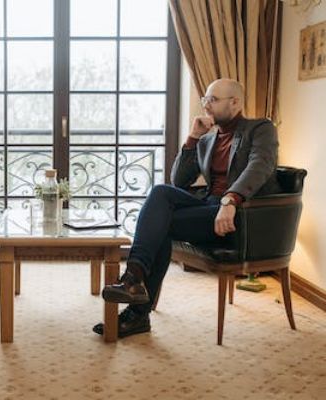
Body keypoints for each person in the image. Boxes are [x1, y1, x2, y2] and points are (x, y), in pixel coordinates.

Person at [93, 78, 281, 338]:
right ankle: (133, 283)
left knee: (161, 226)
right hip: (209, 206)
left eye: (213, 100)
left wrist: (231, 199)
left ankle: (136, 303)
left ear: (235, 102)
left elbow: (260, 165)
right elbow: (179, 180)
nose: (206, 105)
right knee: (161, 192)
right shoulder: (207, 140)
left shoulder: (260, 129)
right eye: (205, 99)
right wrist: (193, 138)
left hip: (240, 214)